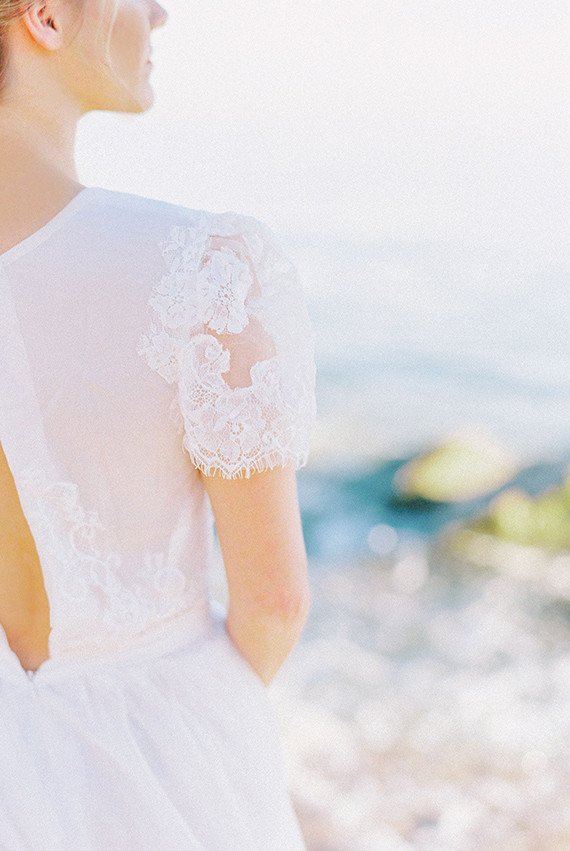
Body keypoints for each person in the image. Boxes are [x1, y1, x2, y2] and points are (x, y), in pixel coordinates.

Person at [0, 0, 316, 846]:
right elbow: (275, 600)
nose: (161, 15)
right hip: (154, 762)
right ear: (47, 19)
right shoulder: (204, 268)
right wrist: (206, 726)